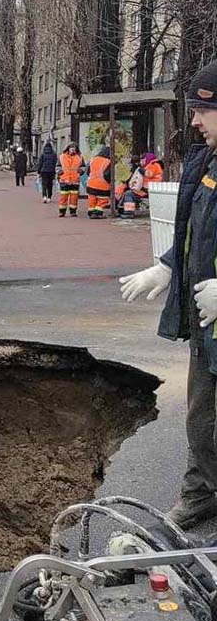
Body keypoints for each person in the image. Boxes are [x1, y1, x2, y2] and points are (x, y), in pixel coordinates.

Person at [119, 57, 217, 528]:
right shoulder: (208, 162)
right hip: (207, 322)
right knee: (201, 419)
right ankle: (202, 495)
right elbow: (196, 232)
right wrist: (167, 267)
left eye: (204, 110)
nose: (194, 121)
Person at [120, 152, 165, 218]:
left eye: (143, 159)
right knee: (129, 193)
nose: (141, 161)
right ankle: (125, 210)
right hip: (149, 188)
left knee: (129, 194)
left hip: (149, 189)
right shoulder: (153, 165)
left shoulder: (153, 165)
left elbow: (149, 174)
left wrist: (140, 169)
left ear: (147, 159)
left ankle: (129, 212)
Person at [58, 143, 85, 217]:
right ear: (68, 148)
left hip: (75, 180)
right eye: (71, 147)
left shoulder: (80, 157)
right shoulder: (62, 157)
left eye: (74, 147)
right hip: (64, 180)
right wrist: (59, 172)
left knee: (74, 197)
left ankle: (73, 211)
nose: (73, 149)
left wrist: (81, 171)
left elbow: (83, 167)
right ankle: (62, 212)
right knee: (63, 197)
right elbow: (58, 166)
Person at [86, 146, 113, 218]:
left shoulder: (93, 160)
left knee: (92, 199)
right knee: (102, 200)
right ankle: (97, 213)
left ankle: (91, 212)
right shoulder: (108, 162)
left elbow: (88, 171)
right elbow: (108, 174)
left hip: (91, 184)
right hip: (102, 185)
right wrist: (110, 182)